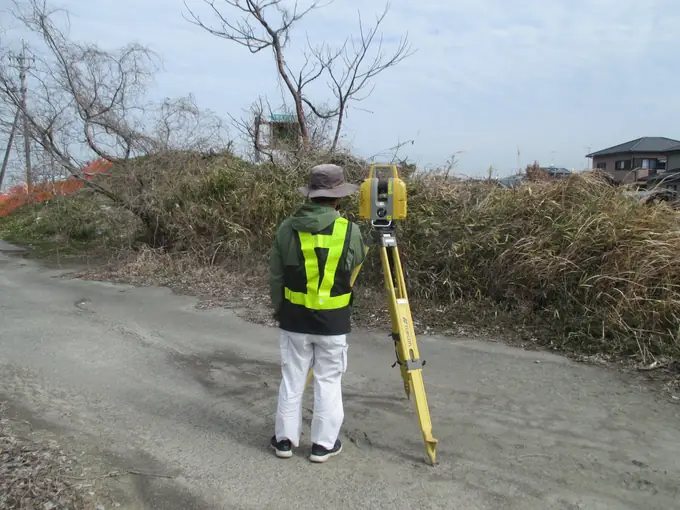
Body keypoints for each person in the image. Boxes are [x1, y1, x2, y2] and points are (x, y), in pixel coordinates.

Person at [268, 163, 367, 463]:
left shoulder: (287, 227)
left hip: (294, 320)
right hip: (333, 323)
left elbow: (276, 276)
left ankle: (284, 441)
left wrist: (279, 311)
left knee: (292, 379)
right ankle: (323, 445)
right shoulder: (350, 230)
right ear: (338, 197)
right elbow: (356, 265)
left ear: (311, 195)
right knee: (328, 381)